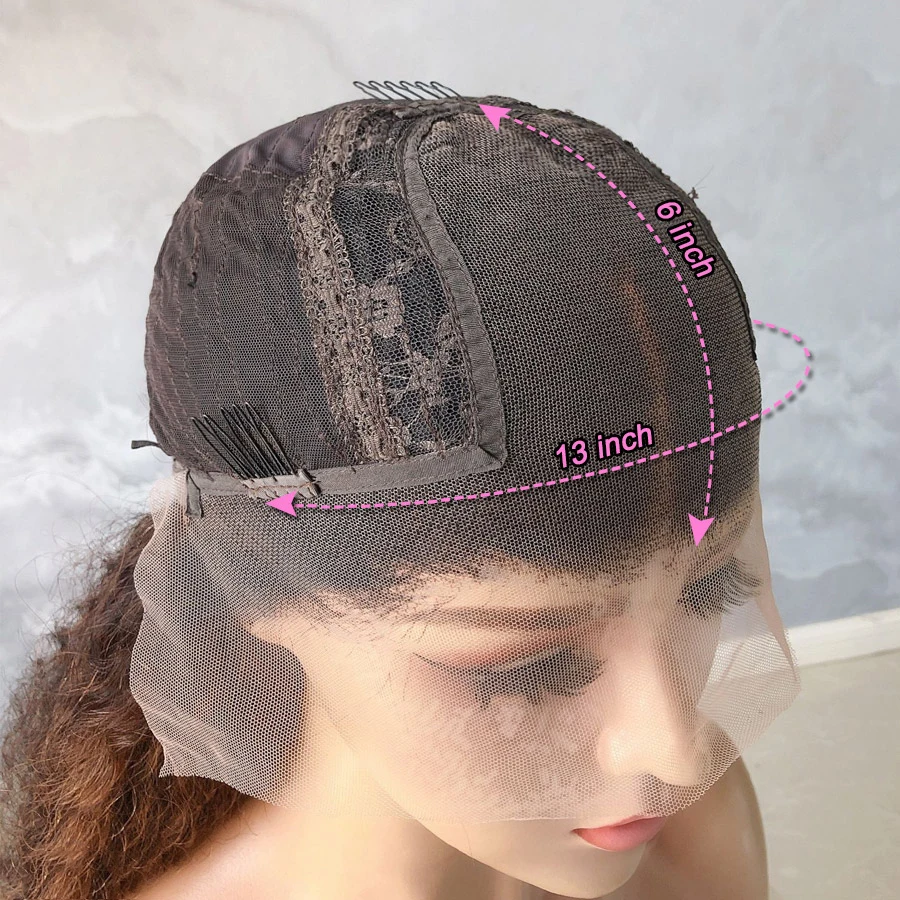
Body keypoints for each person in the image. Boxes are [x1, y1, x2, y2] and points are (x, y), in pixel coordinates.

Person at [0, 92, 800, 900]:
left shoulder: (696, 834)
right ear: (253, 587)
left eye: (712, 590)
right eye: (527, 671)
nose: (677, 753)